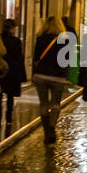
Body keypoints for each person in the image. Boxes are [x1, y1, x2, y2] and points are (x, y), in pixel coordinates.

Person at [32, 16, 70, 145]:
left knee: (43, 104)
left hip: (41, 76)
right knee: (55, 104)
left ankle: (46, 131)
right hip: (57, 77)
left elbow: (36, 57)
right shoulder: (64, 40)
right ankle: (52, 127)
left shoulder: (40, 38)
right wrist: (66, 75)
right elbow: (66, 60)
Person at [0, 18, 27, 127]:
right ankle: (8, 118)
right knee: (10, 96)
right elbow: (19, 58)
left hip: (0, 70)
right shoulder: (16, 41)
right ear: (12, 28)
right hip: (12, 71)